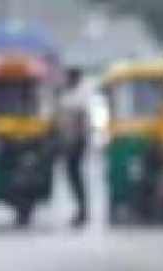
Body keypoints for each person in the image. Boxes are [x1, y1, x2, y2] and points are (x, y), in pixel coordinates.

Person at [57, 67, 90, 228]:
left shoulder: (81, 95)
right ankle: (81, 210)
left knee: (76, 177)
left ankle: (82, 211)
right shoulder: (68, 93)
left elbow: (81, 123)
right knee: (72, 177)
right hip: (69, 141)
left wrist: (75, 141)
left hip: (76, 143)